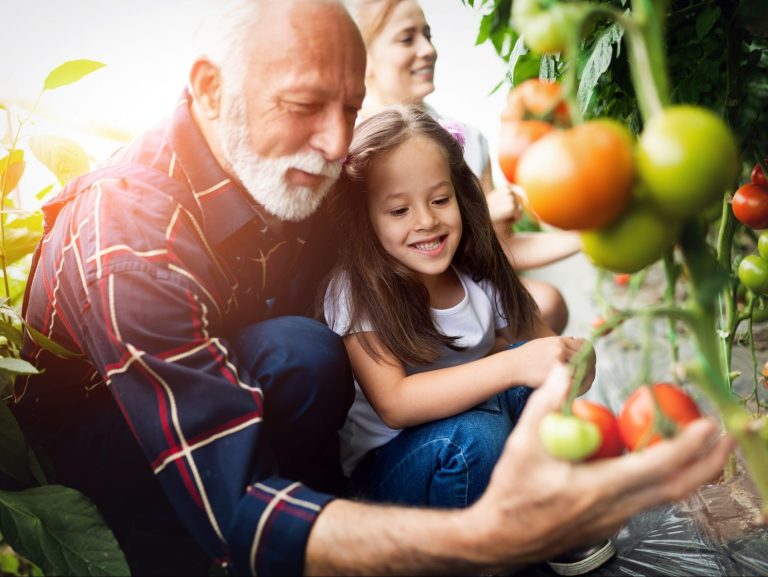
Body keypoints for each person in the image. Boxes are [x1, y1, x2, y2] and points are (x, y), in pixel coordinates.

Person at [10, 1, 733, 576]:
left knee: (303, 352)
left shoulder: (304, 171)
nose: (333, 142)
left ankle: (349, 512)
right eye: (303, 104)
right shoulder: (131, 239)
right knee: (317, 367)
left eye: (350, 107)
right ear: (209, 87)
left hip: (251, 389)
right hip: (127, 451)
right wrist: (480, 536)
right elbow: (235, 500)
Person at [322, 105, 611, 575]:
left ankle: (540, 516)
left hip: (472, 443)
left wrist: (573, 362)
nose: (426, 222)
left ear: (461, 195)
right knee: (476, 437)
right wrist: (515, 366)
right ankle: (468, 557)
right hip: (395, 479)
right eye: (398, 210)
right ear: (365, 218)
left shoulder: (477, 276)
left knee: (533, 376)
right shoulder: (357, 290)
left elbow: (540, 353)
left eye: (440, 200)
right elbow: (395, 401)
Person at [346, 0, 581, 334]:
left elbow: (503, 248)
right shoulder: (350, 150)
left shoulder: (469, 140)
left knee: (547, 303)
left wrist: (589, 237)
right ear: (364, 58)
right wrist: (479, 216)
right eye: (406, 39)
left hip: (466, 295)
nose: (428, 50)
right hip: (395, 310)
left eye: (428, 35)